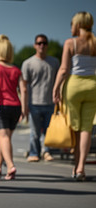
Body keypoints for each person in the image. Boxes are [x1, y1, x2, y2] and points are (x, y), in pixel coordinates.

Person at [52, 11, 96, 181]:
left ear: (77, 25)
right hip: (93, 86)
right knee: (87, 129)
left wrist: (56, 89)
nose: (70, 27)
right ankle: (80, 168)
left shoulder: (71, 43)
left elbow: (63, 69)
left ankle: (77, 166)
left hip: (74, 86)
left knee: (76, 129)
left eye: (72, 24)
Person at [0, 34, 28, 180]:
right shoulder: (17, 70)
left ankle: (10, 166)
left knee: (3, 138)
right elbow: (23, 90)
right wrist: (24, 109)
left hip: (1, 106)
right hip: (15, 106)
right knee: (6, 139)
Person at [21, 34, 60, 163]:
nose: (41, 45)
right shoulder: (28, 63)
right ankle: (34, 152)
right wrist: (24, 106)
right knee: (35, 132)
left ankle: (47, 151)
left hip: (50, 102)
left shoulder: (54, 62)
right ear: (35, 45)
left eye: (44, 43)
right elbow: (24, 86)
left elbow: (59, 82)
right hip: (34, 103)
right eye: (39, 43)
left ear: (47, 45)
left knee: (49, 131)